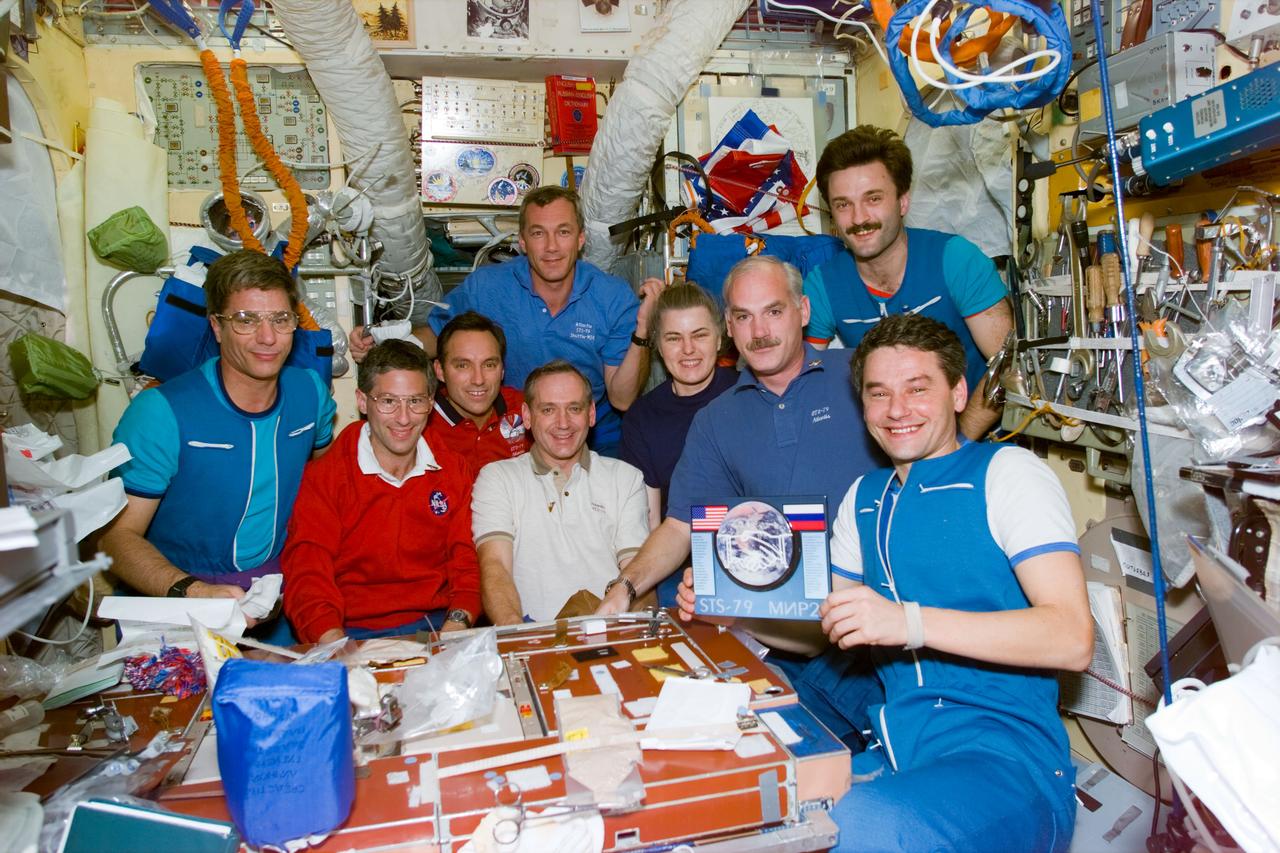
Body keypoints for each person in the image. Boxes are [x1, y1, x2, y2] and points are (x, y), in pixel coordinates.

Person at [745, 312, 1091, 852]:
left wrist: (906, 622)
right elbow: (822, 632)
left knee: (860, 828)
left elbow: (1072, 638)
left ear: (958, 393)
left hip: (1006, 763)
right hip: (900, 750)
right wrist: (735, 609)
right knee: (756, 806)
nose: (897, 410)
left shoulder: (1007, 474)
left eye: (917, 388)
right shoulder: (864, 497)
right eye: (878, 393)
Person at [597, 256, 882, 716]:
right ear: (729, 326)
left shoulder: (860, 373)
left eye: (773, 311)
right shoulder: (716, 420)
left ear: (804, 311)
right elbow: (680, 524)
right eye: (744, 317)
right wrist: (624, 589)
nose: (760, 331)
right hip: (791, 644)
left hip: (885, 640)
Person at [349, 186, 663, 455]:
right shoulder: (487, 288)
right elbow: (437, 335)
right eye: (538, 233)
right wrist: (386, 345)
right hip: (513, 434)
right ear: (523, 242)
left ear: (581, 239)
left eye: (563, 232)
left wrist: (642, 331)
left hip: (593, 438)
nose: (551, 247)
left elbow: (622, 398)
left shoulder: (612, 298)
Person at [101, 250, 335, 611]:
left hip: (274, 591)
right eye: (246, 320)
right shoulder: (161, 412)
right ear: (216, 327)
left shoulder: (310, 394)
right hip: (175, 591)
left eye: (280, 319)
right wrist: (192, 592)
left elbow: (323, 482)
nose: (268, 337)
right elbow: (116, 537)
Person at [802, 124, 1013, 439]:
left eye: (873, 198)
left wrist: (958, 443)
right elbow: (806, 381)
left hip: (979, 437)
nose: (859, 218)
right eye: (843, 204)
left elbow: (1009, 364)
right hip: (892, 442)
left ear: (903, 201)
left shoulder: (955, 259)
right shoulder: (823, 284)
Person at [281, 341, 480, 643]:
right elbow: (308, 572)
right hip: (350, 630)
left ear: (430, 402)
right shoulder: (326, 476)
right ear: (362, 401)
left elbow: (466, 562)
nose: (403, 418)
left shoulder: (453, 469)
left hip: (436, 624)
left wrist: (457, 624)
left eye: (415, 401)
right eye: (388, 401)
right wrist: (333, 642)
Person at [471, 360, 649, 624]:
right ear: (527, 416)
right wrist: (519, 639)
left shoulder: (626, 478)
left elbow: (639, 574)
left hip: (608, 633)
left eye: (574, 408)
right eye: (548, 410)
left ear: (591, 414)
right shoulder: (497, 478)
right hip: (530, 633)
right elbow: (495, 568)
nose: (563, 423)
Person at [618, 283, 737, 607]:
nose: (688, 350)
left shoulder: (750, 394)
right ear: (657, 343)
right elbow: (651, 524)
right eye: (674, 338)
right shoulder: (642, 418)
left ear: (720, 336)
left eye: (699, 335)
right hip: (679, 567)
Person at [425, 311, 531, 467]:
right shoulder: (420, 422)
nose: (478, 380)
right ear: (440, 371)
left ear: (502, 370)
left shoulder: (525, 408)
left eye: (489, 365)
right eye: (463, 365)